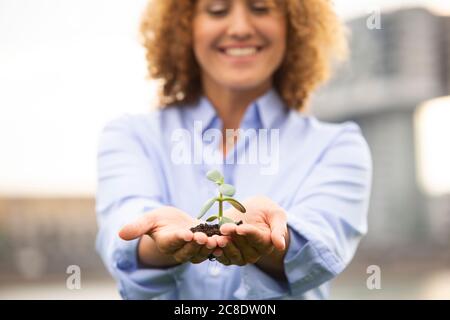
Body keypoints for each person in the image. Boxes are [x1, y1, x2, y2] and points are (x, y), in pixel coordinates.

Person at [96, 0, 372, 299]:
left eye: (261, 8)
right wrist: (156, 242)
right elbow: (124, 227)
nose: (240, 28)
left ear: (293, 26)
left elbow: (321, 245)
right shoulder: (131, 136)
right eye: (216, 10)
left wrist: (272, 238)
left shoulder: (337, 146)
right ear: (185, 25)